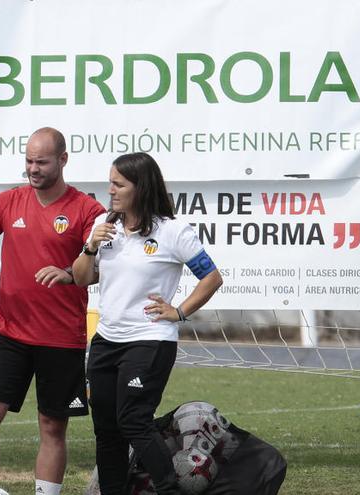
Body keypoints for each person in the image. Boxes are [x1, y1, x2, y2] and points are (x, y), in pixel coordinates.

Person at [72, 152, 223, 495]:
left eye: (117, 184)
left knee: (133, 421)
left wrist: (180, 311)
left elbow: (212, 278)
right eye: (110, 182)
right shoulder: (103, 226)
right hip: (106, 341)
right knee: (106, 429)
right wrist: (89, 246)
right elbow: (81, 278)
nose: (109, 190)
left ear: (140, 188)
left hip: (150, 340)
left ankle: (170, 490)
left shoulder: (173, 231)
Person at [0, 127, 106, 495]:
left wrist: (67, 273)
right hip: (9, 331)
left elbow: (95, 271)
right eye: (29, 161)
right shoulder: (6, 202)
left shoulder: (87, 210)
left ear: (63, 160)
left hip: (61, 337)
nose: (33, 168)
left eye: (42, 162)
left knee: (51, 425)